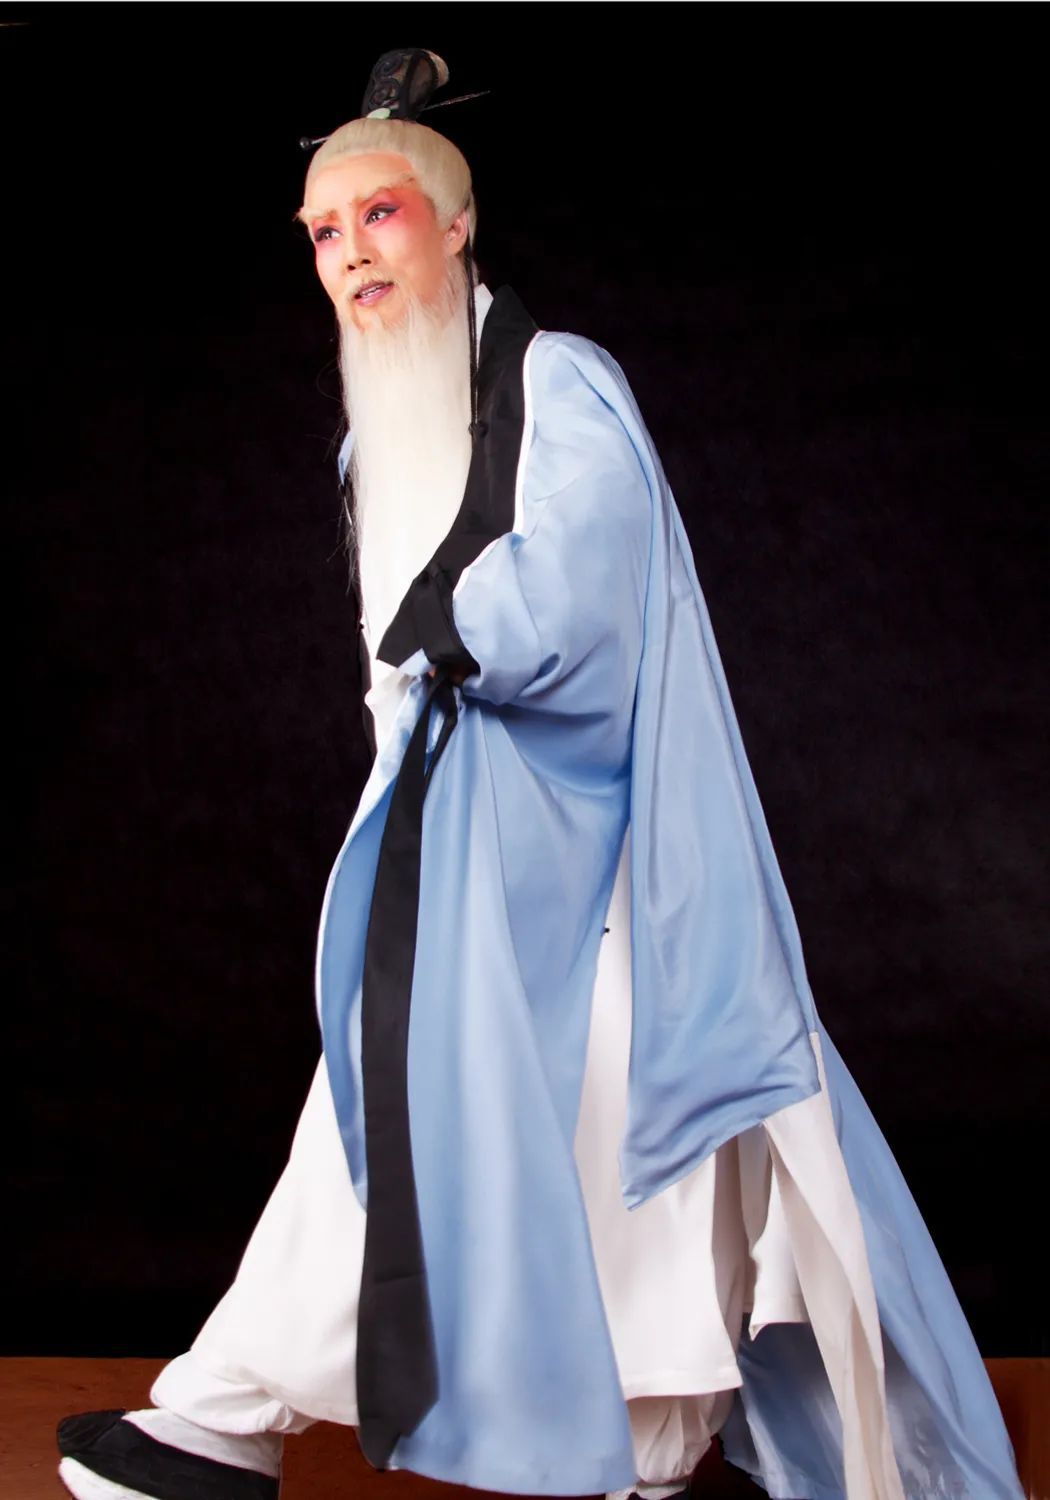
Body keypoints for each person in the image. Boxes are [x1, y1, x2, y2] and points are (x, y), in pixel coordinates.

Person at [57, 49, 1025, 1500]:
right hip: (468, 853)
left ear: (456, 226)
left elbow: (584, 567)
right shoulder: (374, 429)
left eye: (380, 215)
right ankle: (226, 1418)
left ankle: (616, 1447)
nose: (348, 254)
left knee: (638, 1154)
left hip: (596, 856)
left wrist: (453, 630)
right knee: (410, 1122)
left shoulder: (555, 377)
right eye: (322, 233)